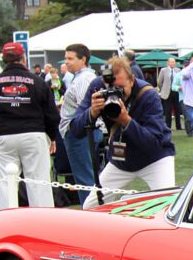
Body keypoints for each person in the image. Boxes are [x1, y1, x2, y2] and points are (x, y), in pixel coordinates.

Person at [71, 55, 175, 204]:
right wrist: (91, 112)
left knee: (167, 204)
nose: (115, 93)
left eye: (120, 88)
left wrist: (126, 121)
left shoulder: (148, 94)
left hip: (155, 158)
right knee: (91, 205)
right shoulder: (97, 88)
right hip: (121, 159)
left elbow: (154, 142)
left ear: (132, 80)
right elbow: (75, 129)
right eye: (111, 88)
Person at [0, 41, 58, 209]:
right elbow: (52, 114)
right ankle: (44, 220)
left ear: (4, 59)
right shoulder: (38, 81)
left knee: (6, 185)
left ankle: (8, 220)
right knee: (39, 183)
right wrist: (51, 136)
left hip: (3, 135)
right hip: (33, 133)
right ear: (23, 58)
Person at [58, 44, 99, 204]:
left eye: (70, 58)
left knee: (85, 179)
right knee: (87, 176)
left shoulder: (84, 79)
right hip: (82, 132)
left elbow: (85, 109)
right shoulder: (82, 77)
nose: (66, 62)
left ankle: (90, 211)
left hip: (80, 133)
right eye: (65, 58)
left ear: (83, 59)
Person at [156, 56, 177, 128]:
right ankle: (168, 126)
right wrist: (163, 88)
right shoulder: (163, 70)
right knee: (168, 110)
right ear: (168, 63)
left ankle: (178, 126)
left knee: (177, 109)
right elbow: (159, 81)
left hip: (176, 92)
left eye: (174, 62)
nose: (173, 63)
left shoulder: (178, 70)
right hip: (167, 93)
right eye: (171, 62)